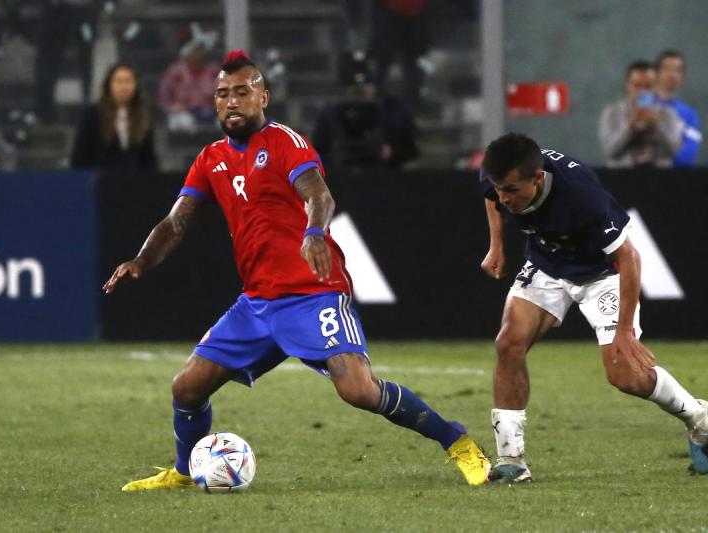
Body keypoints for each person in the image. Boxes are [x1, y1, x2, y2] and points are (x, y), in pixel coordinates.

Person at [104, 50, 491, 490]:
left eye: (242, 92)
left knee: (358, 390)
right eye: (222, 94)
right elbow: (177, 221)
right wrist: (140, 260)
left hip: (314, 293)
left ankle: (455, 440)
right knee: (187, 387)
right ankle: (184, 470)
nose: (232, 101)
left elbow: (318, 195)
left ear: (263, 97)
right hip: (257, 303)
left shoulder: (286, 143)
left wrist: (313, 232)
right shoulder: (210, 159)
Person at [478, 132, 708, 483]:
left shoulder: (581, 196)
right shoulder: (502, 169)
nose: (505, 198)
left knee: (625, 376)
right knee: (508, 343)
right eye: (500, 188)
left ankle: (700, 419)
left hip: (601, 273)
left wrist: (624, 332)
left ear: (538, 178)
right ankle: (511, 459)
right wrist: (497, 246)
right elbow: (491, 197)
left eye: (512, 190)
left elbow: (629, 258)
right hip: (547, 264)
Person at [312, 50, 418, 170]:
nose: (359, 94)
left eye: (364, 87)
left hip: (384, 176)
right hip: (341, 178)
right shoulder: (331, 113)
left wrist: (392, 153)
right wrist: (335, 157)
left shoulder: (394, 111)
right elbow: (319, 153)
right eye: (354, 89)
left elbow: (411, 150)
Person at [70, 63, 158, 172]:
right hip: (100, 180)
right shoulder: (93, 114)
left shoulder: (144, 117)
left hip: (135, 183)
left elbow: (149, 159)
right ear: (109, 85)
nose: (124, 87)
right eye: (119, 81)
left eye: (128, 81)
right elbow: (80, 156)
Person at [598, 60, 683, 167]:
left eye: (648, 86)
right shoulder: (611, 113)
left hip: (660, 179)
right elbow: (609, 152)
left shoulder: (668, 114)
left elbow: (674, 152)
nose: (642, 92)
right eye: (637, 86)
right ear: (627, 85)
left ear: (656, 86)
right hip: (621, 178)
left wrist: (657, 125)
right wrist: (629, 126)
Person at [158, 23, 220, 134]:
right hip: (183, 112)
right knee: (182, 122)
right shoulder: (175, 71)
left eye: (201, 49)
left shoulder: (215, 71)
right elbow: (164, 96)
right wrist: (173, 107)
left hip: (211, 113)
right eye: (195, 49)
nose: (199, 53)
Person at [654, 50, 702, 167]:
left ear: (682, 77)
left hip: (676, 178)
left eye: (677, 70)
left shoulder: (690, 115)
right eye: (667, 69)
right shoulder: (642, 104)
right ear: (656, 73)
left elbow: (691, 148)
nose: (672, 74)